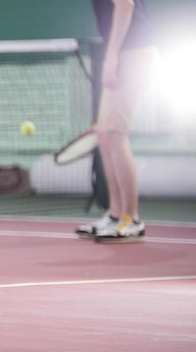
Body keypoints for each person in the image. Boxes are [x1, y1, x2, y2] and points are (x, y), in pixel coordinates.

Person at [76, 0, 158, 243]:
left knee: (115, 135)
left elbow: (125, 5)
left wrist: (111, 58)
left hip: (133, 53)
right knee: (104, 135)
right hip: (127, 52)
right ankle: (115, 215)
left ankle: (131, 220)